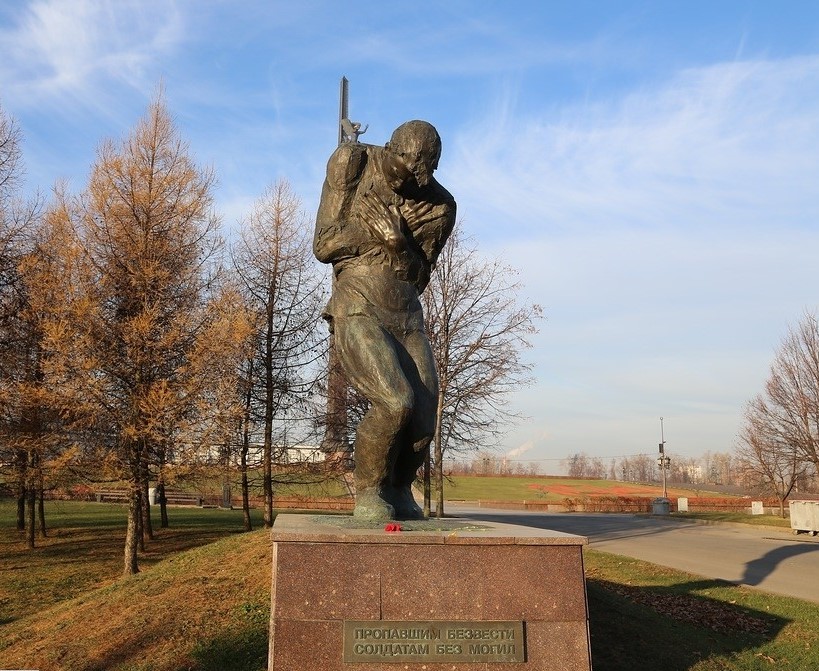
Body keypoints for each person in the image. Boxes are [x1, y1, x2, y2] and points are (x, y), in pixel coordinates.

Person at [314, 120, 456, 520]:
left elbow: (419, 275)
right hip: (357, 302)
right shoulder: (353, 163)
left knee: (425, 418)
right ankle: (369, 492)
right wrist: (376, 234)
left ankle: (398, 489)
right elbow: (324, 244)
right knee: (396, 402)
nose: (406, 184)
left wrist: (396, 243)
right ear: (390, 150)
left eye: (418, 180)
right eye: (400, 172)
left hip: (407, 315)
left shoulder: (441, 206)